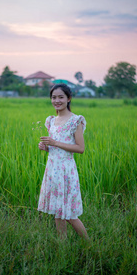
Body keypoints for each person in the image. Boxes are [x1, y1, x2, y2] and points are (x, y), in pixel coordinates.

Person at [38, 83, 89, 240]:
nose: (57, 100)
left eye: (61, 97)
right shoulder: (51, 121)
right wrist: (45, 147)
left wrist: (54, 143)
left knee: (69, 214)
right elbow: (54, 147)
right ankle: (62, 246)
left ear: (69, 98)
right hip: (52, 169)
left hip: (66, 171)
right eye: (54, 97)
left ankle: (89, 245)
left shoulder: (75, 121)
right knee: (57, 211)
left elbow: (80, 148)